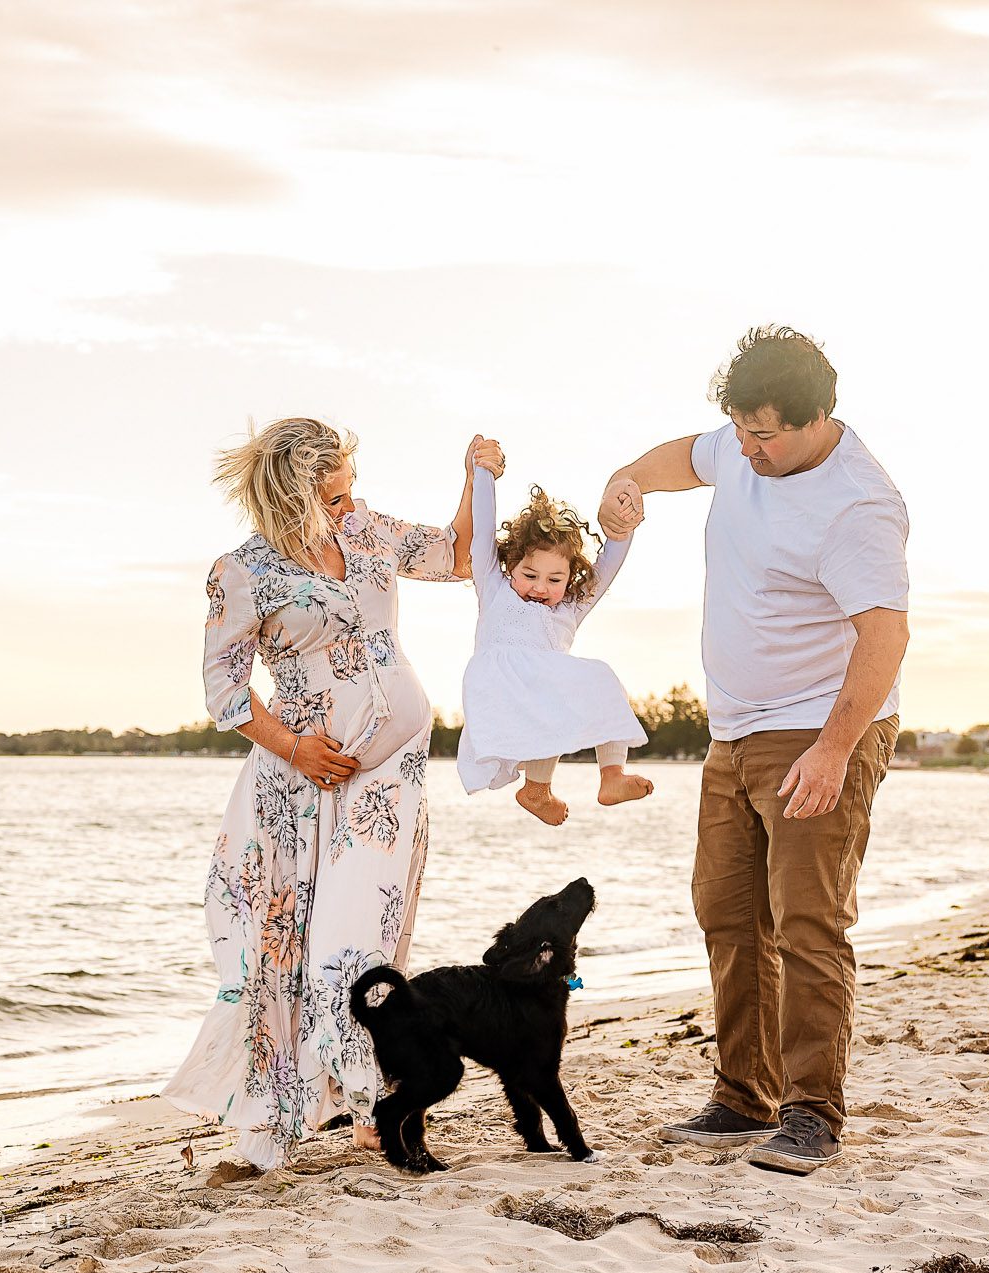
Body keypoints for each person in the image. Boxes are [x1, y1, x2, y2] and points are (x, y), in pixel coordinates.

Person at [597, 326, 909, 1175]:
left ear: (815, 418)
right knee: (730, 914)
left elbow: (884, 635)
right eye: (739, 428)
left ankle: (813, 1113)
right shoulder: (740, 448)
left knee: (809, 923)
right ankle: (743, 1097)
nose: (746, 447)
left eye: (765, 433)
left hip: (818, 731)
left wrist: (835, 748)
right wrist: (624, 488)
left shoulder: (858, 503)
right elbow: (674, 461)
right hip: (733, 730)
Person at [163, 417, 488, 1170]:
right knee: (285, 949)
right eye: (333, 496)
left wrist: (475, 476)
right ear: (291, 494)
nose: (349, 506)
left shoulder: (369, 529)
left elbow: (456, 556)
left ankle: (374, 1097)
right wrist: (295, 747)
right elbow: (224, 691)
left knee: (356, 941)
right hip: (300, 784)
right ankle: (274, 1125)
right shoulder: (241, 572)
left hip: (390, 776)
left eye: (349, 490)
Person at [456, 451, 652, 823]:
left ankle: (604, 777)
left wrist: (623, 532)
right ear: (509, 566)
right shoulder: (494, 590)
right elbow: (482, 532)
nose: (540, 587)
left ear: (570, 577)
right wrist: (484, 473)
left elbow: (608, 566)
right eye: (530, 575)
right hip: (499, 687)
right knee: (556, 694)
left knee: (600, 680)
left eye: (555, 579)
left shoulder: (569, 609)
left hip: (539, 691)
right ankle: (538, 788)